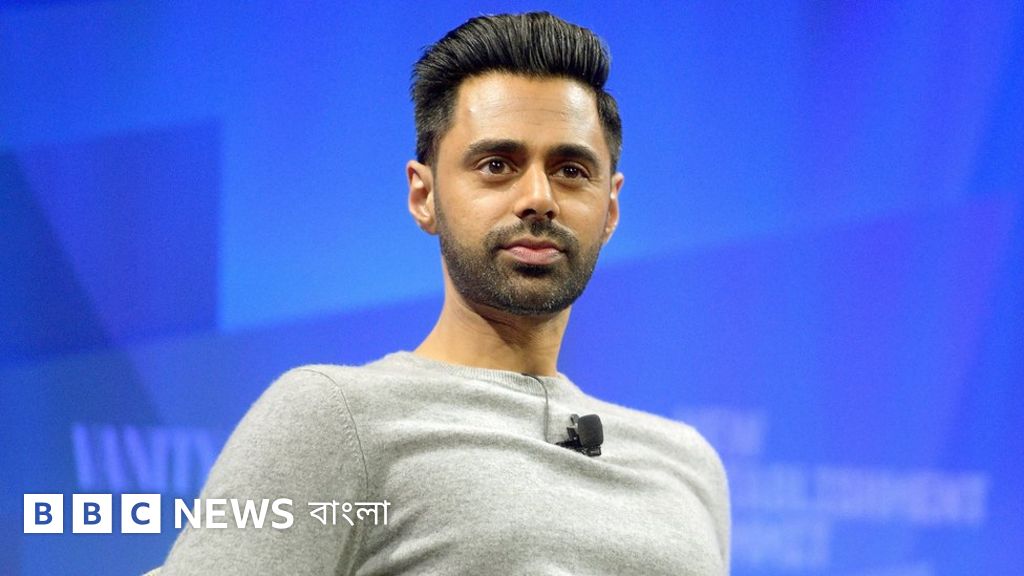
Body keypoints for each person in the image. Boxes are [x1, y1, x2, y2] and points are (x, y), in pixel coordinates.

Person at [155, 11, 729, 575]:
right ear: (424, 196)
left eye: (571, 170)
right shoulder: (335, 417)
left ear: (610, 208)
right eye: (497, 165)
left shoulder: (688, 465)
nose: (539, 198)